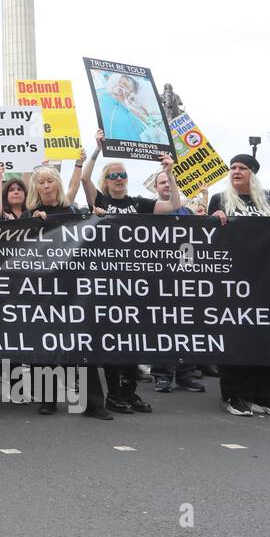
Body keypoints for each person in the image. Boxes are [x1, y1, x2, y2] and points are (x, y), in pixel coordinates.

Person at [89, 135, 180, 415]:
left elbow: (174, 205)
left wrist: (169, 173)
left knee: (132, 340)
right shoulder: (100, 200)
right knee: (112, 341)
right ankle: (114, 394)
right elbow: (82, 180)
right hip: (107, 282)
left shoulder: (140, 203)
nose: (119, 179)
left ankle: (130, 392)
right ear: (106, 181)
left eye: (123, 175)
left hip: (134, 282)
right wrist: (96, 150)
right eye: (113, 175)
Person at [209, 154, 270, 417]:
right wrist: (212, 220)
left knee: (269, 335)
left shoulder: (268, 202)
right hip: (234, 281)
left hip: (268, 281)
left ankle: (266, 396)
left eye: (243, 168)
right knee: (237, 336)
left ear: (253, 174)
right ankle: (235, 395)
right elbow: (210, 234)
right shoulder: (220, 199)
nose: (236, 171)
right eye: (233, 167)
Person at [25, 163, 110, 420]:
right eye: (42, 182)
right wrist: (35, 224)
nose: (47, 186)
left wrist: (99, 216)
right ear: (36, 188)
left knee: (81, 343)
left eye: (51, 181)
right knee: (47, 343)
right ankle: (47, 400)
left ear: (58, 185)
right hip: (44, 287)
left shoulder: (73, 211)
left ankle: (93, 403)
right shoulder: (30, 214)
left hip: (74, 287)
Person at [149, 168, 206, 394]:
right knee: (162, 327)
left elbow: (194, 244)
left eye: (168, 182)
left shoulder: (187, 213)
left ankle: (186, 374)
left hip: (184, 277)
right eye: (161, 182)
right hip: (158, 277)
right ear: (156, 188)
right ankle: (162, 375)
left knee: (187, 327)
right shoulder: (149, 211)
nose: (165, 185)